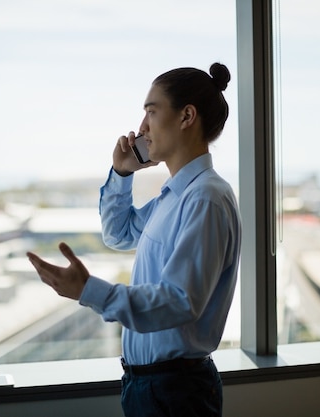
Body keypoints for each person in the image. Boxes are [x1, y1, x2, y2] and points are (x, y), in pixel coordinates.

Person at [27, 62, 242, 417]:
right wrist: (122, 173)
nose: (141, 128)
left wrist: (90, 291)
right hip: (151, 386)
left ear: (187, 116)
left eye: (151, 112)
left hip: (175, 391)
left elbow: (180, 301)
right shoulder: (176, 195)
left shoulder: (205, 198)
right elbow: (118, 234)